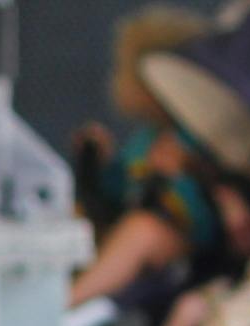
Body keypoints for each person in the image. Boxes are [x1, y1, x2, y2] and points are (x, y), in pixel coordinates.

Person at [69, 7, 223, 309]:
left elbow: (208, 216)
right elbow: (121, 192)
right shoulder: (145, 138)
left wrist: (185, 172)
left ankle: (65, 303)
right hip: (130, 230)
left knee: (143, 230)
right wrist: (100, 164)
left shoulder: (201, 138)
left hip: (186, 244)